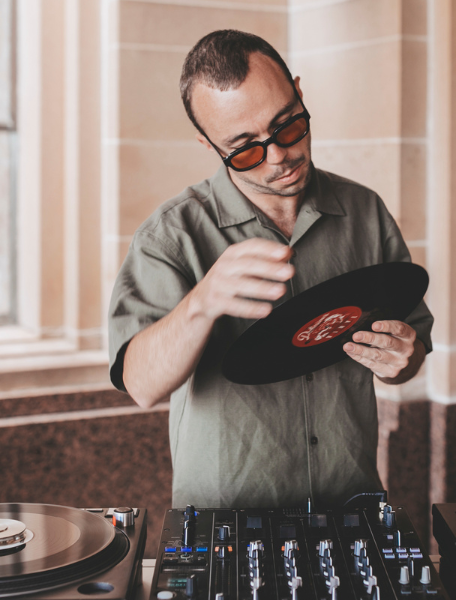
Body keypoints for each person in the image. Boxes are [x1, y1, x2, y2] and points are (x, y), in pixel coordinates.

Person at [107, 29, 434, 509]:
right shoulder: (170, 235)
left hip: (352, 503)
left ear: (299, 93)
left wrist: (403, 359)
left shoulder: (366, 211)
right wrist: (203, 303)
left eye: (287, 126)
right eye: (244, 149)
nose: (278, 156)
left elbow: (411, 347)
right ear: (208, 144)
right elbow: (140, 384)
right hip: (227, 518)